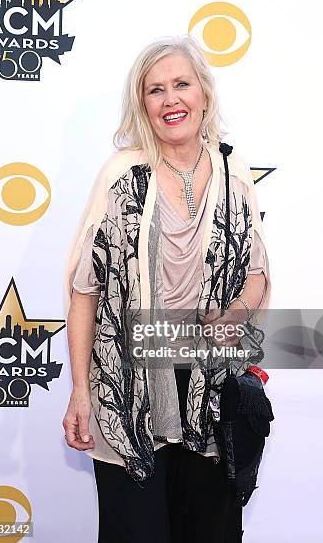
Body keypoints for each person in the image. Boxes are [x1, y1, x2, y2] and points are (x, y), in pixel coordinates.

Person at [63, 34, 271, 543]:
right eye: (155, 90)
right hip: (130, 392)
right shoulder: (121, 176)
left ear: (204, 91)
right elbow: (84, 292)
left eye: (182, 84)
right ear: (143, 105)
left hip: (213, 394)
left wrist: (235, 315)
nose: (171, 99)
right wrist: (81, 391)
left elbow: (258, 273)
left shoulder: (233, 170)